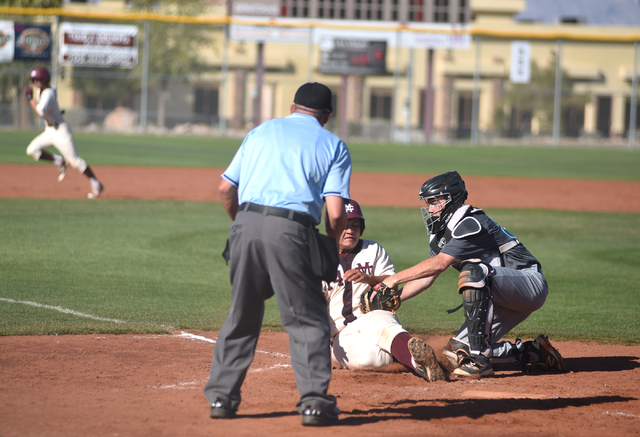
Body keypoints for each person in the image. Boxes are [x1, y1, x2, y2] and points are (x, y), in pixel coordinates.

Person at [204, 82, 351, 427]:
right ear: (327, 116)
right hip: (292, 231)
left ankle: (222, 398)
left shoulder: (261, 131)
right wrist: (331, 243)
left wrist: (242, 225)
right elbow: (334, 212)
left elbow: (226, 188)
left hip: (245, 225)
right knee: (307, 319)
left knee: (241, 314)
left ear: (292, 107)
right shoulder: (332, 144)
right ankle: (315, 403)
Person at [371, 171, 565, 378]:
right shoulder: (439, 237)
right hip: (498, 298)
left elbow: (439, 264)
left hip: (528, 284)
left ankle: (480, 361)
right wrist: (396, 298)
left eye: (434, 202)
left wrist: (392, 279)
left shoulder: (470, 222)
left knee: (473, 272)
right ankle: (533, 352)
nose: (430, 209)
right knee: (455, 351)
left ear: (450, 200)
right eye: (428, 203)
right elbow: (427, 277)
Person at [323, 199, 446, 382]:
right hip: (342, 332)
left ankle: (418, 363)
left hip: (373, 315)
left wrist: (369, 279)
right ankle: (400, 354)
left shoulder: (372, 249)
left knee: (387, 329)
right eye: (344, 225)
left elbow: (392, 284)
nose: (350, 230)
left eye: (355, 225)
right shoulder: (319, 258)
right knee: (367, 359)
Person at [25, 67, 104, 199]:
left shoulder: (48, 93)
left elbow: (40, 112)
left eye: (38, 79)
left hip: (61, 131)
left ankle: (96, 183)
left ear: (44, 79)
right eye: (33, 80)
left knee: (75, 162)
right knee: (32, 150)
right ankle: (59, 161)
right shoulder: (44, 91)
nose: (35, 83)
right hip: (49, 130)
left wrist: (30, 99)